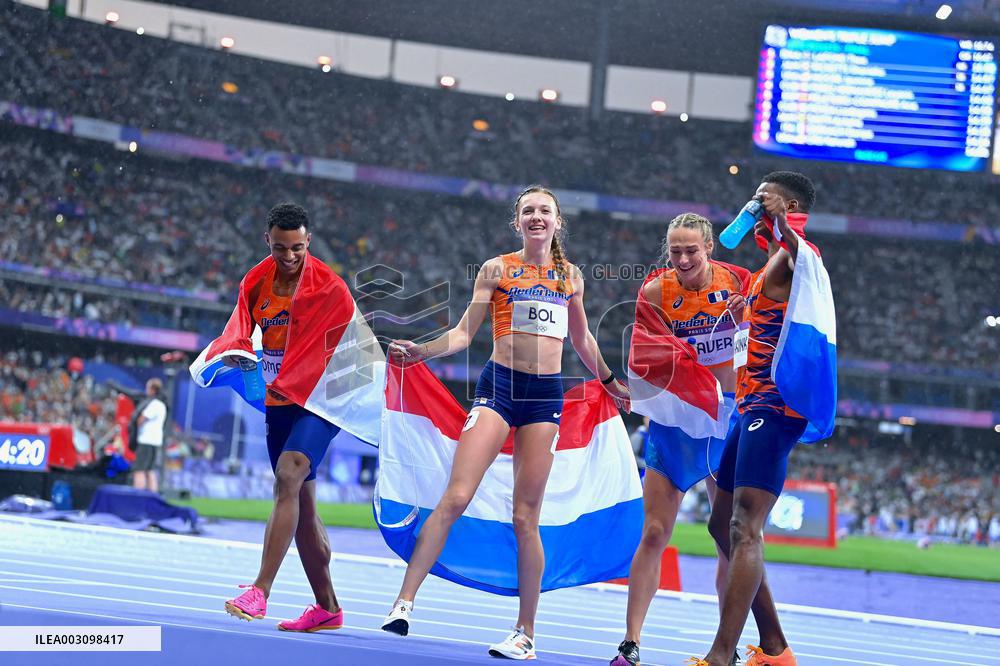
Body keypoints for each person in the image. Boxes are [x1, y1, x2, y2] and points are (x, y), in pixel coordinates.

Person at [381, 185, 630, 660]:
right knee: (456, 495)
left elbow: (581, 340)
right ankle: (403, 604)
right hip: (499, 389)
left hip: (543, 398)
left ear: (557, 222)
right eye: (528, 211)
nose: (537, 218)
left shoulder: (570, 276)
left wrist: (612, 380)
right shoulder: (497, 269)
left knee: (525, 518)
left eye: (545, 212)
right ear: (517, 222)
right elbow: (461, 333)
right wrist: (421, 350)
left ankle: (525, 633)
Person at [610, 214, 749, 666]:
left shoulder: (740, 285)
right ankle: (630, 642)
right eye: (675, 251)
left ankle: (723, 646)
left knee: (731, 535)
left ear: (709, 246)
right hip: (677, 420)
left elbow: (762, 338)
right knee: (653, 531)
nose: (684, 259)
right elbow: (646, 358)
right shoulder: (654, 293)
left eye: (692, 249)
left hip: (726, 418)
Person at [692, 171, 818, 666]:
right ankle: (774, 648)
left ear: (784, 206)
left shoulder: (794, 253)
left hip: (775, 405)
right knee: (721, 522)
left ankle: (722, 654)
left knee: (746, 525)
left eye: (761, 198)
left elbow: (800, 250)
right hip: (749, 403)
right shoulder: (770, 265)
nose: (751, 204)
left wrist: (782, 223)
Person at [222, 203, 344, 633]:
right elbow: (240, 328)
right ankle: (327, 607)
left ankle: (260, 591)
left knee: (288, 476)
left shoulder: (329, 287)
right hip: (280, 399)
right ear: (267, 242)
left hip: (322, 398)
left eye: (297, 248)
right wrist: (240, 352)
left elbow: (354, 350)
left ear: (308, 241)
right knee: (303, 509)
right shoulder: (256, 282)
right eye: (279, 248)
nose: (289, 257)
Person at [132, 378, 167, 493]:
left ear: (152, 390)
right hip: (155, 441)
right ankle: (153, 496)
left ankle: (137, 496)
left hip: (146, 440)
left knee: (139, 470)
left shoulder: (154, 404)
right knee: (150, 470)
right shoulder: (162, 405)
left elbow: (141, 420)